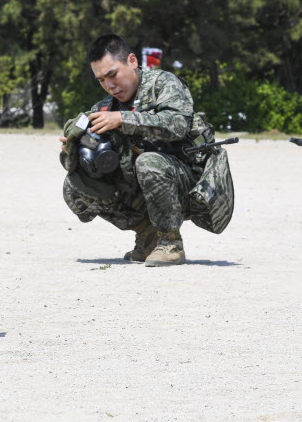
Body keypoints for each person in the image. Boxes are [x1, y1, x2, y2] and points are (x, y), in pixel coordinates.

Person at [59, 34, 234, 266]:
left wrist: (124, 119)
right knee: (74, 186)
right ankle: (148, 235)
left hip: (190, 184)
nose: (109, 85)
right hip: (145, 185)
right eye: (101, 80)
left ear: (132, 61)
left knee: (148, 162)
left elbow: (178, 125)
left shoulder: (164, 84)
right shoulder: (105, 107)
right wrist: (75, 150)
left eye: (112, 74)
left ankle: (170, 243)